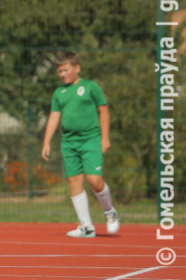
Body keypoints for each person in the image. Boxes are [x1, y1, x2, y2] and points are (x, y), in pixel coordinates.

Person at [42, 51, 120, 238]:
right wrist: (46, 141)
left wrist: (105, 138)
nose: (62, 74)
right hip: (68, 143)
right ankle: (87, 227)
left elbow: (104, 111)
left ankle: (110, 212)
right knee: (73, 181)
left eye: (66, 70)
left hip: (91, 140)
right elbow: (54, 117)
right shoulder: (59, 93)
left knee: (94, 180)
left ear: (77, 68)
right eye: (60, 71)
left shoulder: (91, 86)